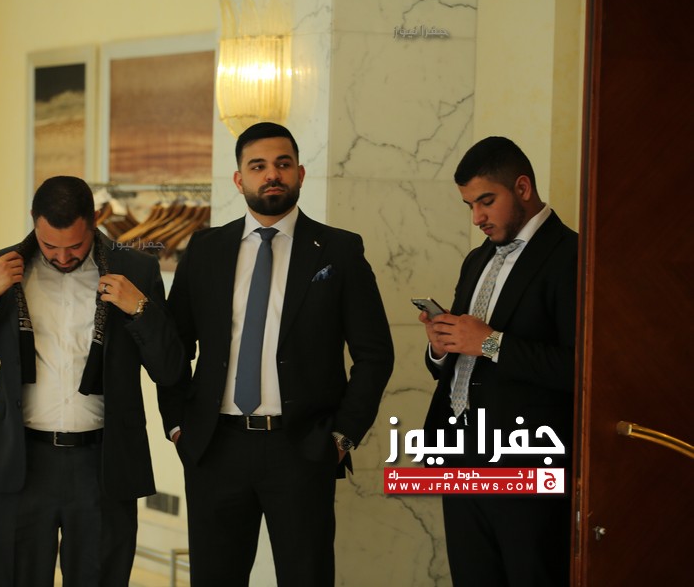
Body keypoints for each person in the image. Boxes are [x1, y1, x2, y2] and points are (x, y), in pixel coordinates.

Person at [158, 122, 394, 586]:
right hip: (215, 448)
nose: (272, 174)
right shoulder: (205, 249)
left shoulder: (340, 250)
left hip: (302, 449)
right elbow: (174, 348)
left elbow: (375, 354)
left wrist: (342, 437)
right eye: (258, 166)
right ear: (238, 179)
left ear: (300, 173)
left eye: (283, 164)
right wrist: (178, 425)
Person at [0, 175, 184, 587]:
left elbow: (170, 370)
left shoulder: (137, 269)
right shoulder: (1, 266)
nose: (62, 257)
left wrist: (141, 310)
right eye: (50, 246)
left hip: (103, 464)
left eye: (74, 246)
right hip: (19, 461)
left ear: (94, 221)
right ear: (33, 220)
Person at [420, 136, 577, 586]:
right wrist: (441, 346)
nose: (477, 218)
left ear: (522, 188)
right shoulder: (477, 259)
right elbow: (461, 357)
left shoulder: (572, 256)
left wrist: (490, 343)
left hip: (528, 466)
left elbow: (580, 370)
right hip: (459, 458)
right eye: (469, 205)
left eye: (486, 202)